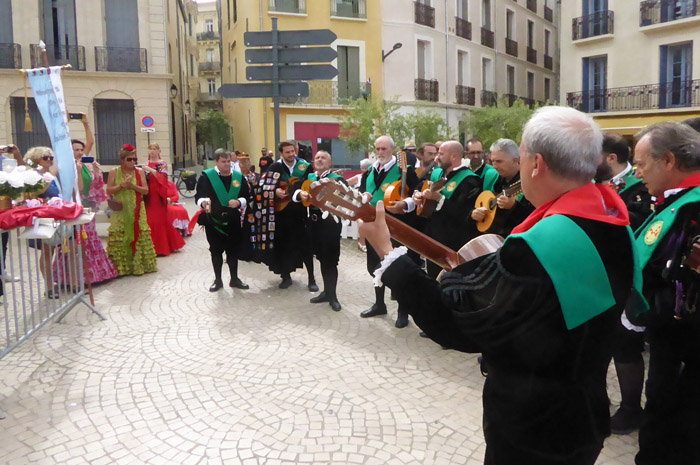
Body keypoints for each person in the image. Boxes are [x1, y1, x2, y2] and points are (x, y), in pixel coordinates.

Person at [360, 106, 640, 464]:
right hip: (584, 410)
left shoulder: (539, 245)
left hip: (533, 426)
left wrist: (387, 251)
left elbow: (455, 326)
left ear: (536, 164)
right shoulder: (612, 218)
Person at [631, 122, 700, 465]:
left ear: (669, 160)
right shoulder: (679, 201)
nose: (636, 172)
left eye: (642, 163)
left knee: (671, 431)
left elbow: (684, 288)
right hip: (668, 344)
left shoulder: (693, 208)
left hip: (683, 349)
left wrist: (639, 313)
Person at [594, 133, 653, 435]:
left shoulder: (641, 188)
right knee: (604, 341)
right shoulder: (600, 183)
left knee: (626, 346)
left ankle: (632, 408)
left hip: (629, 278)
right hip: (602, 277)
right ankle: (600, 400)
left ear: (610, 159)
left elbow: (638, 224)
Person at [358, 135, 419, 328]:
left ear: (392, 150)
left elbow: (417, 192)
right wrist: (363, 197)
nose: (380, 152)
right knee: (375, 266)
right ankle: (379, 304)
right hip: (373, 224)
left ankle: (403, 311)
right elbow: (361, 192)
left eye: (384, 149)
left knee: (397, 268)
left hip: (396, 227)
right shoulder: (369, 172)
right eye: (378, 149)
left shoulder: (404, 170)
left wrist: (406, 203)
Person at [53, 125, 118, 285]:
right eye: (76, 150)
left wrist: (96, 172)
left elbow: (95, 187)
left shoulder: (85, 166)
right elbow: (78, 188)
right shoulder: (65, 167)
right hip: (74, 207)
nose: (80, 152)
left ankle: (95, 274)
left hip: (88, 208)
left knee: (88, 238)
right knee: (76, 240)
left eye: (81, 150)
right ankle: (74, 277)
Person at [410, 141, 482, 279]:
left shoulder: (470, 181)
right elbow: (418, 188)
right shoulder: (439, 175)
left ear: (454, 157)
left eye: (441, 154)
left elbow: (465, 214)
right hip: (434, 242)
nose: (437, 158)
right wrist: (419, 197)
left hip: (453, 245)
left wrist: (439, 199)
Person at [195, 150, 250, 291]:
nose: (227, 164)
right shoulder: (207, 177)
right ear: (217, 162)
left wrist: (239, 202)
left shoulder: (238, 177)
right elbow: (199, 196)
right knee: (216, 250)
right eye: (223, 162)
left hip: (233, 220)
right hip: (214, 221)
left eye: (228, 162)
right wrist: (203, 202)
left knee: (233, 251)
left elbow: (248, 196)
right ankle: (218, 280)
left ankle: (235, 279)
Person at [264, 141, 315, 290]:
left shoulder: (304, 167)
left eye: (293, 151)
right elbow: (264, 186)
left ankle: (312, 279)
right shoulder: (274, 167)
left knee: (306, 247)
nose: (291, 154)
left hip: (300, 213)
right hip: (282, 215)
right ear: (281, 153)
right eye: (288, 152)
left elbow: (311, 184)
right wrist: (274, 191)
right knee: (283, 246)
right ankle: (286, 277)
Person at [298, 150, 345, 311]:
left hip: (330, 225)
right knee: (321, 259)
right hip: (313, 224)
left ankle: (333, 296)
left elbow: (344, 201)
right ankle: (326, 292)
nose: (319, 160)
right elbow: (297, 192)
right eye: (317, 157)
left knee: (331, 261)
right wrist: (301, 194)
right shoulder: (309, 177)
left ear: (330, 163)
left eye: (323, 158)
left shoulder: (337, 179)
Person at [105, 145, 157, 276]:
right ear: (122, 159)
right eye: (130, 159)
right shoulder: (114, 172)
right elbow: (109, 190)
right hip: (121, 211)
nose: (133, 162)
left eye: (135, 159)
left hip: (137, 209)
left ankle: (139, 265)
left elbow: (145, 190)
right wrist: (122, 186)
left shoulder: (139, 172)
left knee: (140, 234)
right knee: (120, 235)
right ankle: (121, 268)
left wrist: (132, 186)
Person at [471, 139, 535, 237]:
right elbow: (470, 203)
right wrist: (473, 213)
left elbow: (535, 219)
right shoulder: (491, 176)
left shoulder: (530, 182)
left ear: (515, 160)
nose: (495, 166)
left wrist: (514, 207)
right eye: (493, 161)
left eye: (499, 161)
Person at [24, 147, 62, 297]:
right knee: (47, 251)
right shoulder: (32, 175)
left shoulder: (50, 174)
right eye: (45, 158)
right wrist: (51, 175)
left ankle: (53, 282)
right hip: (42, 216)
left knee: (53, 250)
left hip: (56, 214)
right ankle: (49, 287)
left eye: (51, 157)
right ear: (37, 159)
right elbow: (35, 193)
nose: (50, 160)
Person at [596, 133, 654, 230]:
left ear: (611, 158)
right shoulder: (588, 182)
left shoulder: (645, 185)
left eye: (592, 157)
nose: (587, 162)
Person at [143, 160, 185, 256]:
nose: (152, 151)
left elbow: (162, 178)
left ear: (158, 151)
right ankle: (151, 247)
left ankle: (162, 248)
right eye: (151, 149)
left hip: (158, 196)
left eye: (154, 149)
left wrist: (150, 170)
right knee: (150, 220)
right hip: (149, 196)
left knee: (159, 220)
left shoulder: (162, 164)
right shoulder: (145, 164)